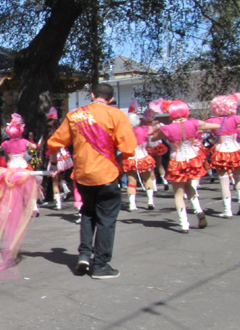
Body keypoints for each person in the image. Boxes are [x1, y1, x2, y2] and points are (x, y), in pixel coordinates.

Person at [47, 83, 137, 279]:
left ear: (93, 95)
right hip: (107, 174)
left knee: (88, 213)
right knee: (106, 219)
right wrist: (118, 162)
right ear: (111, 99)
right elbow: (129, 148)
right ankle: (100, 265)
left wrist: (54, 165)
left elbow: (54, 142)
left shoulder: (75, 116)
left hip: (82, 176)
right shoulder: (117, 116)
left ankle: (85, 254)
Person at [152, 100, 220, 232]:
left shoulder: (167, 128)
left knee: (178, 193)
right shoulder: (194, 123)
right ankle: (199, 210)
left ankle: (184, 224)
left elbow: (154, 139)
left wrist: (157, 130)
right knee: (189, 186)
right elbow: (216, 125)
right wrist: (200, 127)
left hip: (177, 161)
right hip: (192, 159)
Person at [205, 95, 240, 217]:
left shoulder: (211, 121)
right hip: (236, 151)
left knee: (224, 182)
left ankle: (227, 210)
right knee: (238, 179)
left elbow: (199, 130)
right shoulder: (236, 118)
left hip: (220, 152)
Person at [122, 112, 158, 211]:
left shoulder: (124, 133)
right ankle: (150, 201)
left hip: (130, 159)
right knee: (147, 179)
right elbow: (154, 130)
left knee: (131, 181)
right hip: (143, 157)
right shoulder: (143, 129)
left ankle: (132, 204)